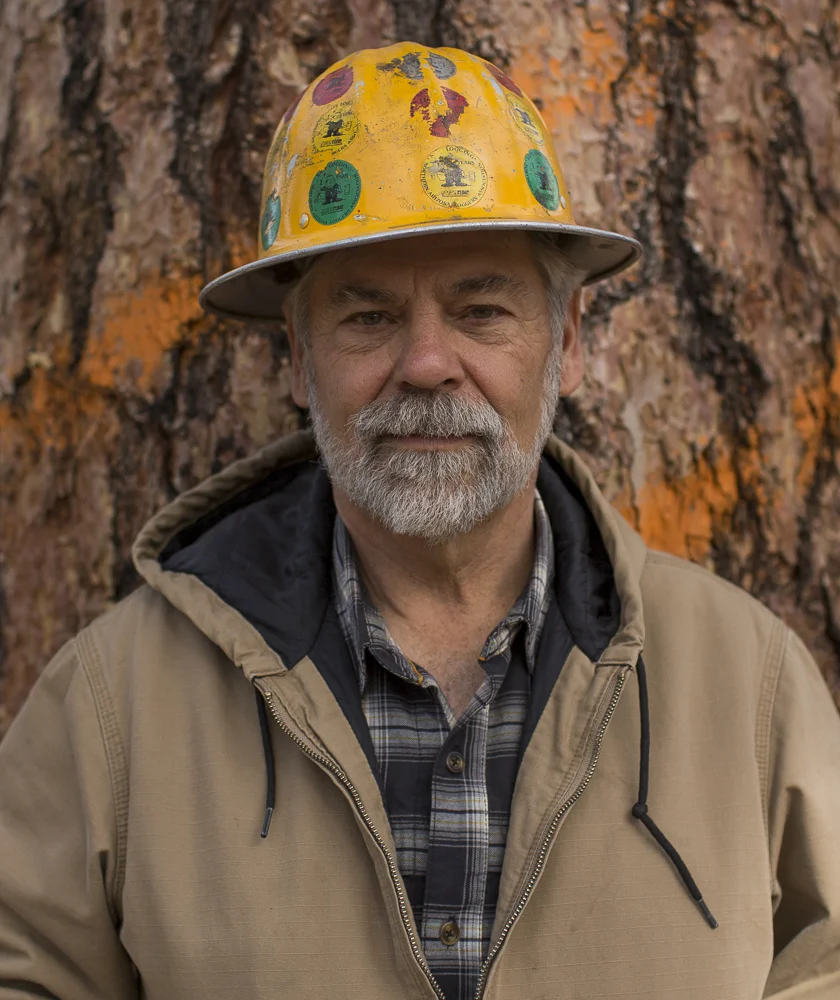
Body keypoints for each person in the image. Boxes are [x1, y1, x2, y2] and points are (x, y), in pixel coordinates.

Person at [1, 41, 839, 1000]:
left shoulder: (749, 684)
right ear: (296, 358)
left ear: (564, 345)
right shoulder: (115, 706)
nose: (428, 363)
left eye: (481, 311)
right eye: (367, 318)